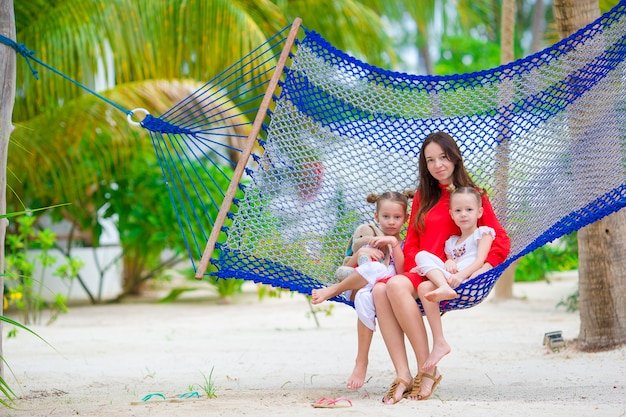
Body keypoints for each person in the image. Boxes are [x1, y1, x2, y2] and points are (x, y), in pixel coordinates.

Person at [372, 131, 510, 404]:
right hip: (422, 268)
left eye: (443, 157)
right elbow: (412, 241)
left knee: (395, 286)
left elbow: (500, 240)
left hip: (452, 275)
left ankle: (427, 370)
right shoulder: (424, 195)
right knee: (379, 290)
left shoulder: (474, 197)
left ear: (455, 158)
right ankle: (402, 374)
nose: (437, 165)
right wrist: (413, 268)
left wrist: (480, 269)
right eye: (430, 160)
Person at [311, 191, 409, 390]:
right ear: (376, 217)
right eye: (386, 216)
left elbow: (402, 271)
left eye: (397, 217)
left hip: (376, 293)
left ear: (405, 219)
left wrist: (394, 245)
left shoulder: (404, 244)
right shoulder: (368, 237)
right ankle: (335, 290)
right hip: (354, 285)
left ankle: (361, 361)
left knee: (367, 295)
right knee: (372, 274)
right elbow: (347, 266)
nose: (391, 222)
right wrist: (362, 252)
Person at [413, 186, 495, 303]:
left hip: (468, 283)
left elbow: (480, 261)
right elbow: (451, 264)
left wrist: (460, 276)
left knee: (426, 280)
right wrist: (449, 261)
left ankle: (443, 285)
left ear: (479, 212)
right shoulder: (451, 241)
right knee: (421, 256)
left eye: (469, 209)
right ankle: (444, 287)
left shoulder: (483, 233)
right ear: (451, 214)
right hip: (451, 280)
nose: (463, 214)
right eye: (458, 210)